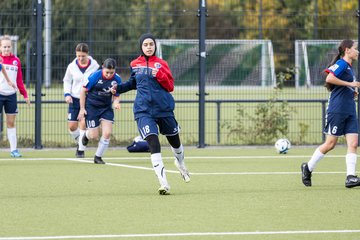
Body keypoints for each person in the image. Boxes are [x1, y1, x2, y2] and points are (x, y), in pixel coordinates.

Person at [111, 33, 190, 195]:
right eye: (145, 44)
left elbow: (170, 86)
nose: (148, 47)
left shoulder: (162, 64)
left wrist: (159, 74)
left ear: (155, 46)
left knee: (175, 142)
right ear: (141, 46)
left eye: (151, 44)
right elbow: (133, 83)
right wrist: (118, 89)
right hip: (143, 110)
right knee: (153, 142)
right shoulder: (135, 64)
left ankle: (180, 163)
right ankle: (164, 184)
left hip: (164, 109)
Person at [301, 39, 360, 188]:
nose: (357, 51)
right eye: (355, 48)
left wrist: (352, 92)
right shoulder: (341, 64)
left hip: (350, 110)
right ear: (347, 50)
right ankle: (308, 168)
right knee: (330, 144)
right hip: (337, 110)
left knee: (353, 143)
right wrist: (351, 84)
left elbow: (343, 86)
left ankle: (350, 177)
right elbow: (330, 78)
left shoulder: (349, 68)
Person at [78, 58, 121, 164]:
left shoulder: (117, 79)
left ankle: (98, 157)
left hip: (106, 108)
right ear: (103, 68)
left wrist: (116, 103)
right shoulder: (95, 76)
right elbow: (83, 91)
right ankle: (86, 135)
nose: (109, 75)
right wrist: (82, 108)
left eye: (112, 72)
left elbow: (116, 95)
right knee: (94, 135)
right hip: (92, 107)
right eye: (107, 72)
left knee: (107, 133)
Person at [63, 43, 99, 158]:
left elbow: (98, 80)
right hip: (74, 98)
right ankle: (81, 140)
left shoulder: (95, 66)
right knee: (72, 126)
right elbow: (67, 80)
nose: (80, 58)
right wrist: (67, 94)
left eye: (83, 56)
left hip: (88, 99)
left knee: (83, 123)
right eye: (78, 56)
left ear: (87, 54)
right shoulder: (71, 66)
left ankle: (80, 150)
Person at [0, 35, 30, 157]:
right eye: (4, 47)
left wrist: (25, 95)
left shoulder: (16, 61)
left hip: (11, 96)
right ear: (0, 48)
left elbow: (19, 80)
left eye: (8, 46)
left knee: (11, 123)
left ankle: (13, 150)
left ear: (11, 47)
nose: (6, 49)